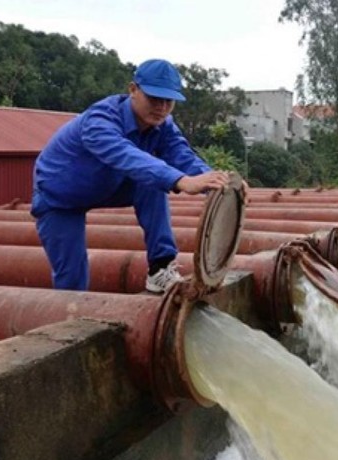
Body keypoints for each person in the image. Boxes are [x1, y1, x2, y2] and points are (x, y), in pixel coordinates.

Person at [32, 58, 238, 293]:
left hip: (108, 185)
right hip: (60, 195)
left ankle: (160, 267)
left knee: (151, 182)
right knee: (71, 279)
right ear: (133, 90)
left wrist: (215, 182)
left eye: (168, 101)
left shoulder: (163, 124)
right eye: (154, 99)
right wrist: (182, 181)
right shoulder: (99, 121)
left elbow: (182, 154)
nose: (161, 107)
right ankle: (68, 317)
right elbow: (127, 156)